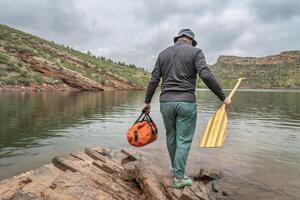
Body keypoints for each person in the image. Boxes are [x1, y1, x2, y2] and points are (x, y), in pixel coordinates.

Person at [142, 28, 231, 189]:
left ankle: (175, 167)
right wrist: (223, 97)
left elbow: (154, 79)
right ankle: (178, 178)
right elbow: (205, 75)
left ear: (178, 39)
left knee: (171, 137)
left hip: (166, 102)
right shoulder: (196, 52)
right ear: (190, 40)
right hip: (186, 102)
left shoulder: (162, 54)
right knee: (183, 140)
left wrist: (147, 102)